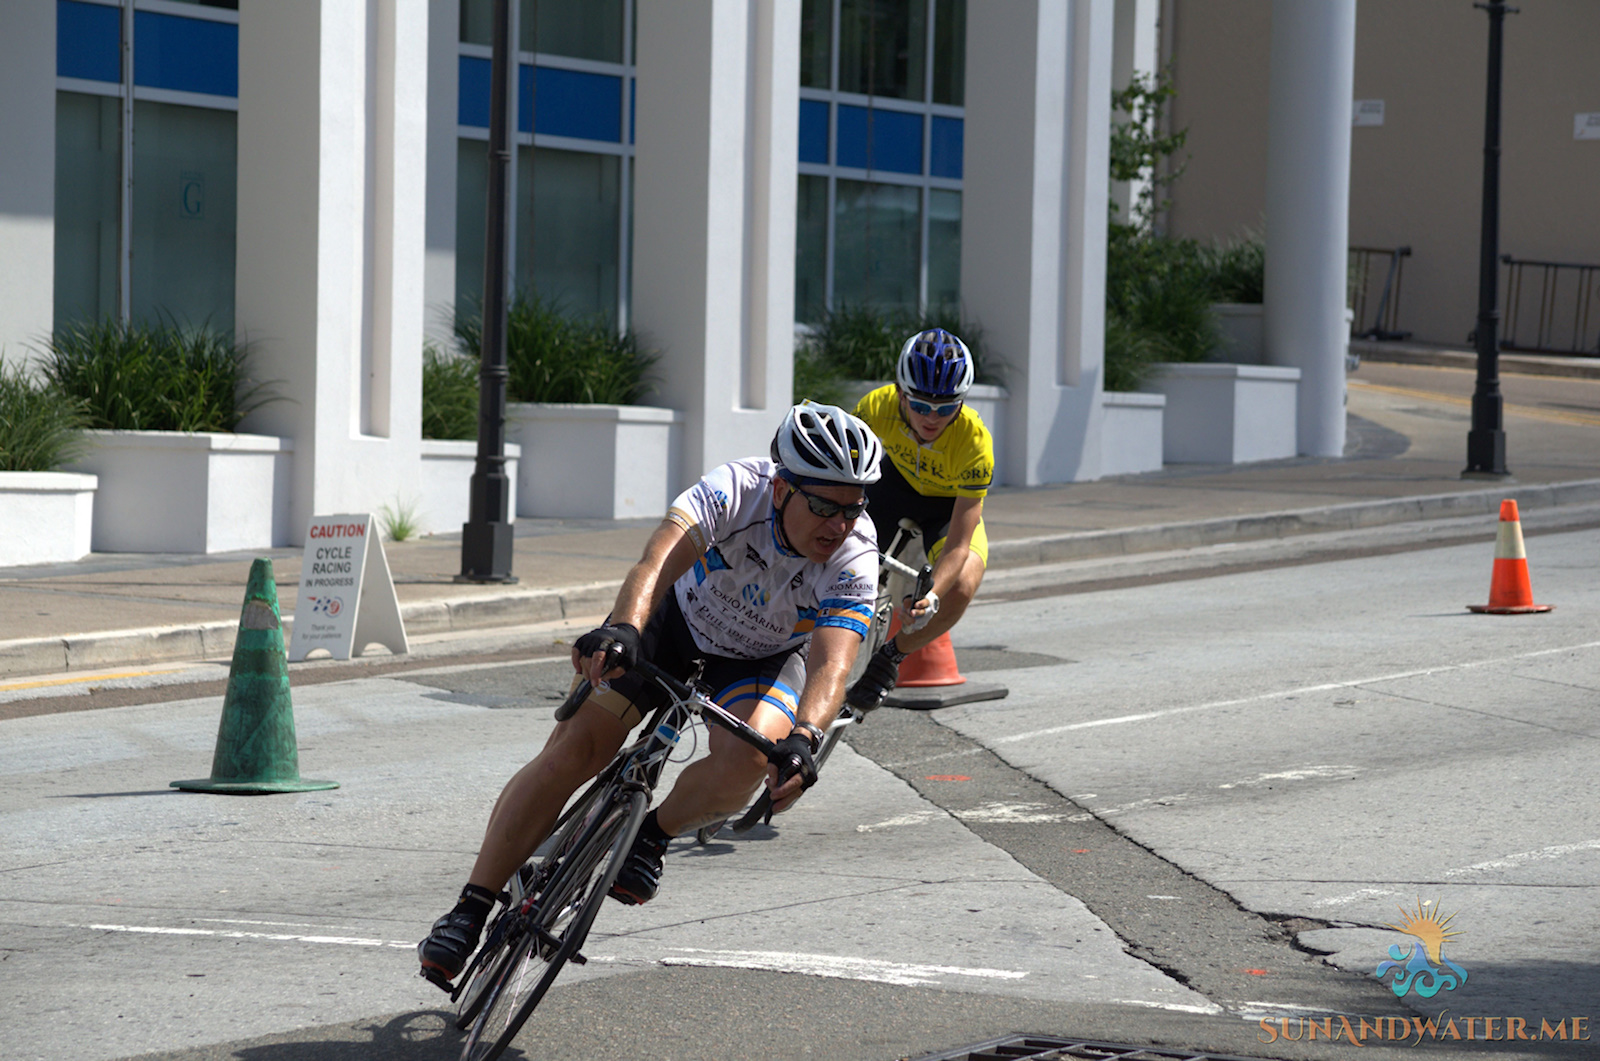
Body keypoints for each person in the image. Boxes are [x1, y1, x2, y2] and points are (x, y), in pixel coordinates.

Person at [418, 402, 884, 985]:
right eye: (824, 506)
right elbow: (658, 558)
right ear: (784, 488)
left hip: (760, 658)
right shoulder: (737, 491)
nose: (839, 524)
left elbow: (832, 663)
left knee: (750, 759)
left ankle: (650, 834)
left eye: (853, 507)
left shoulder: (855, 557)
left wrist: (807, 737)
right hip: (672, 623)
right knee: (576, 752)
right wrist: (624, 630)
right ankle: (469, 908)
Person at [846, 327, 993, 710]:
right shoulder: (876, 407)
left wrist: (930, 596)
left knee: (962, 583)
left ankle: (890, 657)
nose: (932, 417)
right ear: (900, 393)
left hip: (944, 507)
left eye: (945, 408)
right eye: (920, 406)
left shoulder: (975, 442)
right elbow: (842, 477)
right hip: (894, 487)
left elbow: (960, 543)